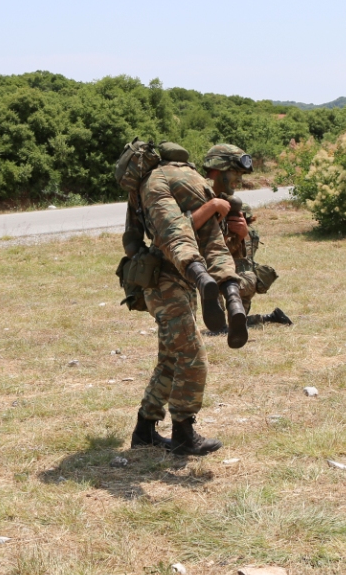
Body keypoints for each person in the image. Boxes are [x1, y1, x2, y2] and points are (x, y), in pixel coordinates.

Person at [123, 141, 247, 456]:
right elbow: (189, 235)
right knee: (192, 358)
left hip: (163, 283)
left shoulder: (143, 185)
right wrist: (213, 209)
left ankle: (144, 430)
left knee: (170, 359)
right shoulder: (188, 181)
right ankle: (182, 433)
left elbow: (138, 238)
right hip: (168, 282)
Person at [201, 144, 293, 328]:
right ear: (216, 170)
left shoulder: (239, 209)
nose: (240, 179)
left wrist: (242, 236)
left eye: (242, 174)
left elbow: (245, 259)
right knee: (219, 326)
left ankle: (263, 318)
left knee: (228, 324)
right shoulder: (198, 201)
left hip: (230, 276)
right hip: (202, 273)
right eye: (236, 173)